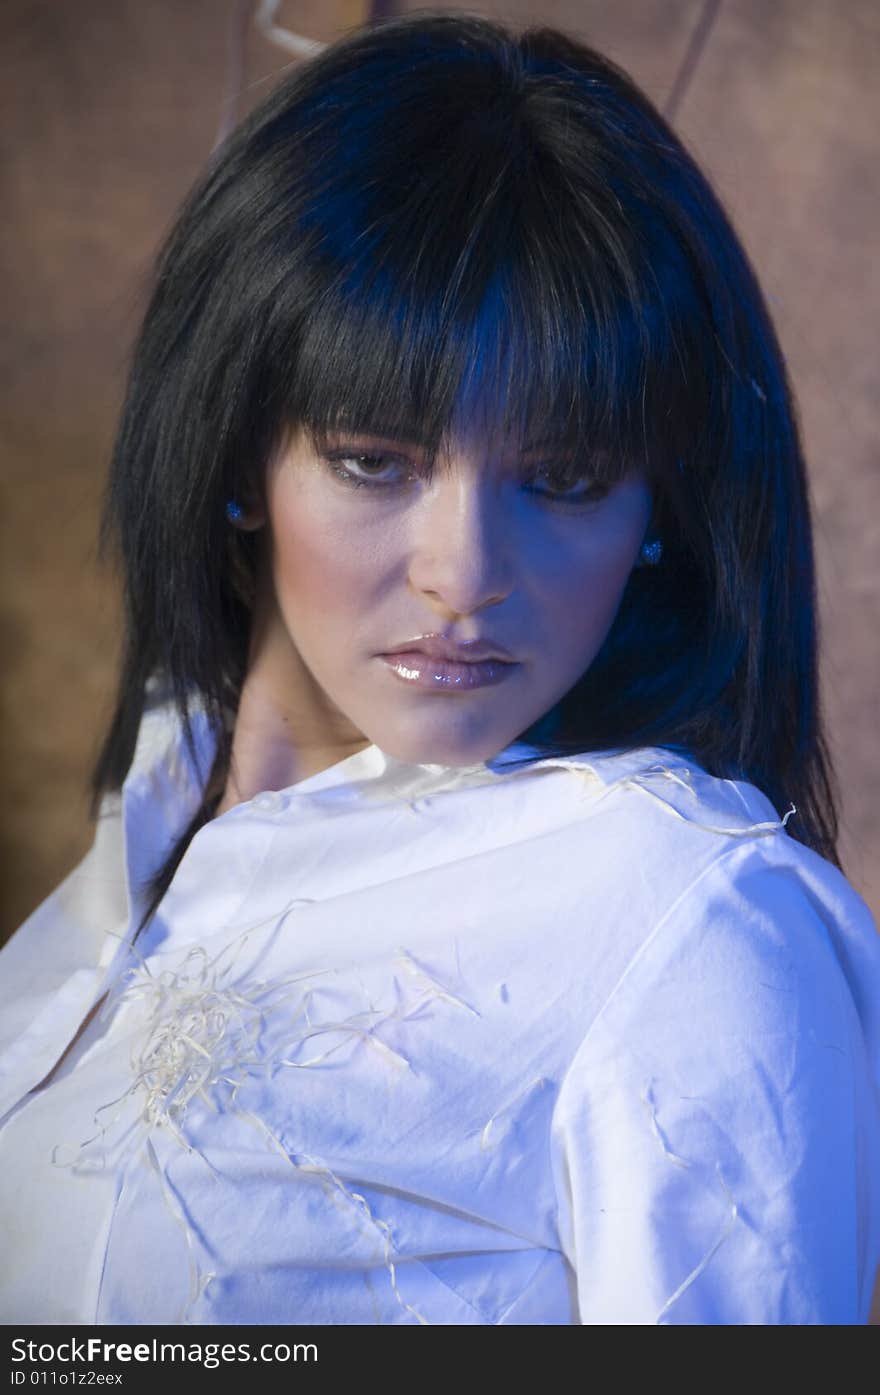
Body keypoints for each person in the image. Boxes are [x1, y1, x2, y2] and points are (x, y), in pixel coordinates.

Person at [1, 9, 878, 1326]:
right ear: (244, 457)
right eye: (376, 461)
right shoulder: (143, 832)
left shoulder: (688, 914)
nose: (463, 577)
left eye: (566, 478)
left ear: (656, 512)